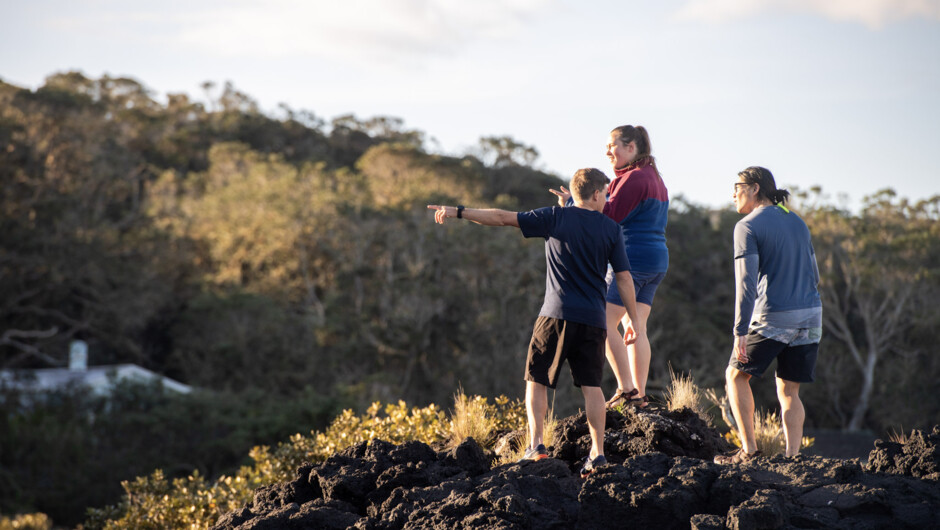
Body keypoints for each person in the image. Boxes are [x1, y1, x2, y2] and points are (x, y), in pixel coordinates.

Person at [428, 168, 640, 478]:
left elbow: (501, 217)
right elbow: (623, 277)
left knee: (537, 379)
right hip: (594, 320)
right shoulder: (612, 229)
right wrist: (633, 320)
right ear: (595, 194)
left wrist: (458, 211)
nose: (607, 199)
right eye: (606, 193)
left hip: (555, 315)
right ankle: (597, 454)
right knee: (593, 388)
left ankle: (536, 445)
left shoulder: (555, 217)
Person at [551, 125, 668, 409]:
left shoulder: (634, 178)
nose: (607, 151)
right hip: (656, 259)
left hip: (632, 260)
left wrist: (571, 204)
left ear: (631, 147)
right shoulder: (654, 177)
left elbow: (608, 217)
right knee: (635, 325)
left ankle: (627, 389)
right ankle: (638, 395)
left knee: (601, 320)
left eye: (612, 145)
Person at [714, 166, 822, 464]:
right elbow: (815, 275)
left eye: (737, 186)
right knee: (789, 388)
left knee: (735, 376)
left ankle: (748, 450)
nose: (733, 193)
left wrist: (739, 331)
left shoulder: (747, 226)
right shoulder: (797, 221)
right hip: (812, 315)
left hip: (775, 315)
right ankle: (792, 456)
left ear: (754, 188)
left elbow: (746, 284)